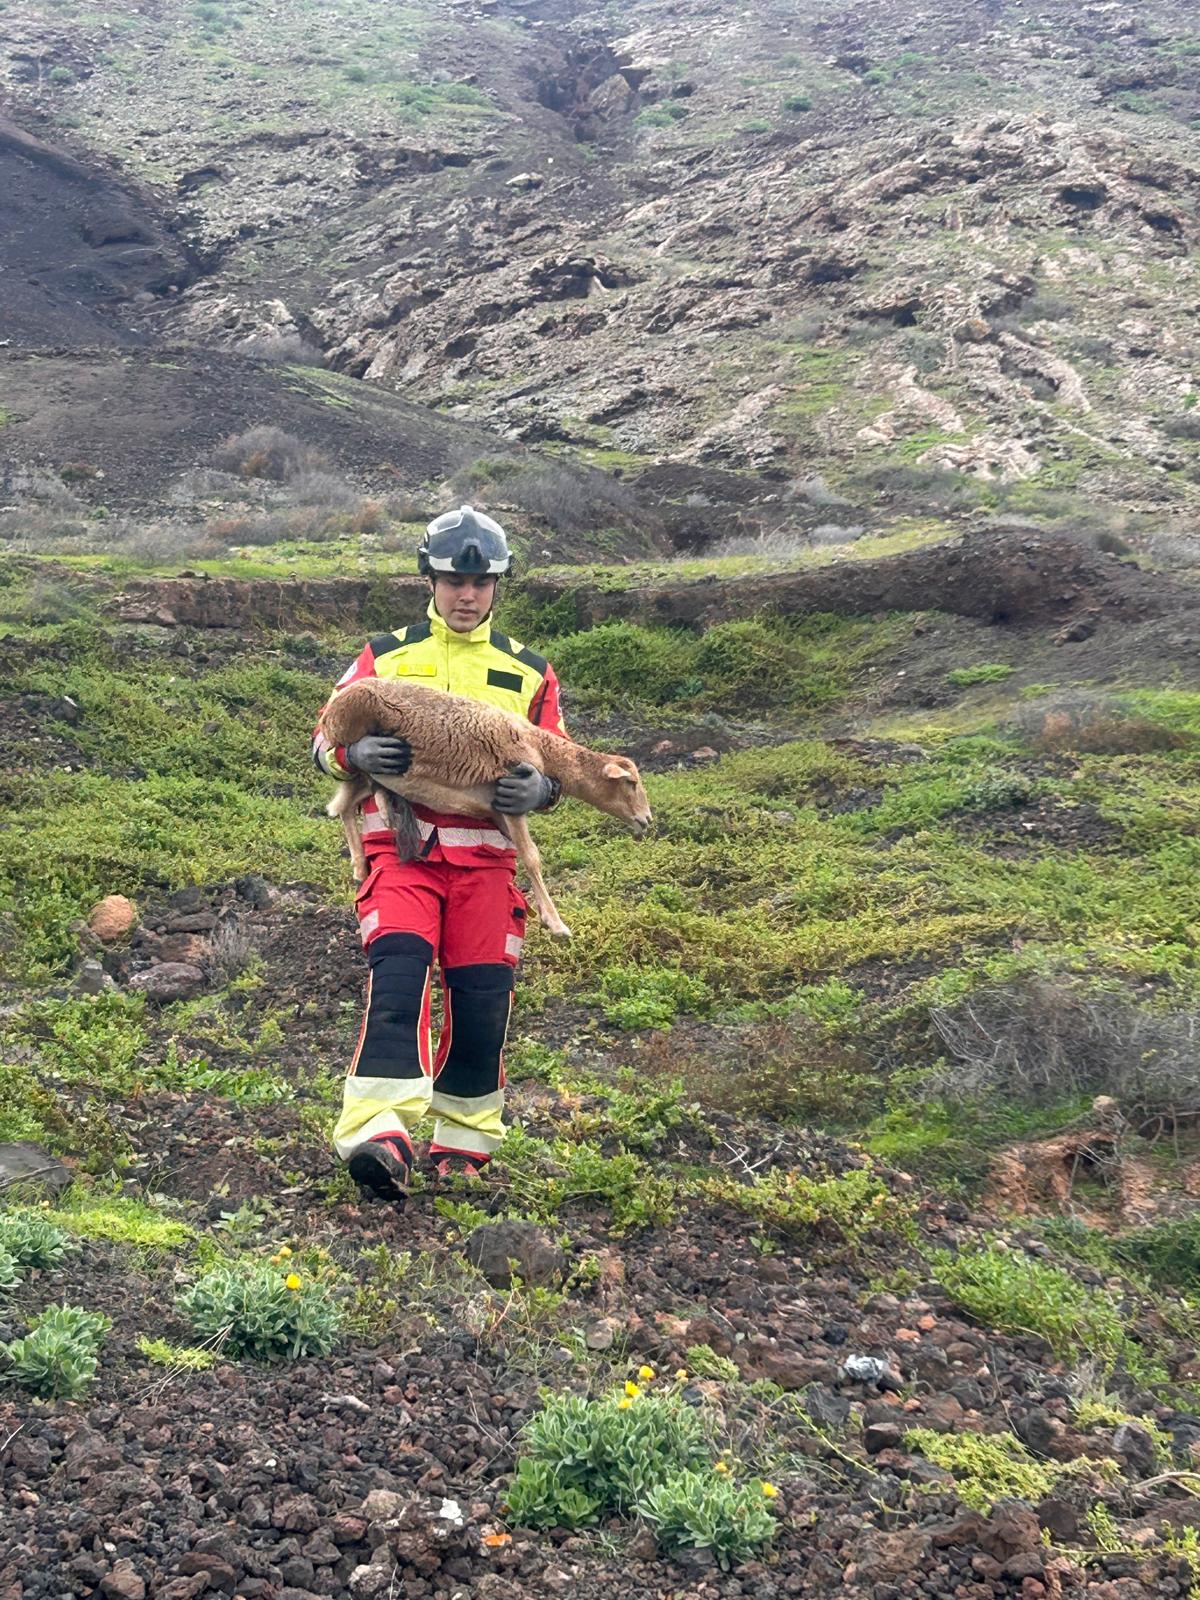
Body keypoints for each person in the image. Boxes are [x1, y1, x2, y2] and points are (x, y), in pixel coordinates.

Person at [312, 505, 566, 1207]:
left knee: (483, 1001)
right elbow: (321, 740)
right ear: (430, 577)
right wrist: (350, 754)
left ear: (498, 586)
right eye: (455, 578)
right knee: (399, 979)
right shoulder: (380, 656)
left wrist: (542, 789)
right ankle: (380, 1134)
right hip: (401, 853)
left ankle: (464, 1141)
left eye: (482, 582)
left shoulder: (530, 672)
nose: (467, 594)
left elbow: (559, 766)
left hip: (487, 863)